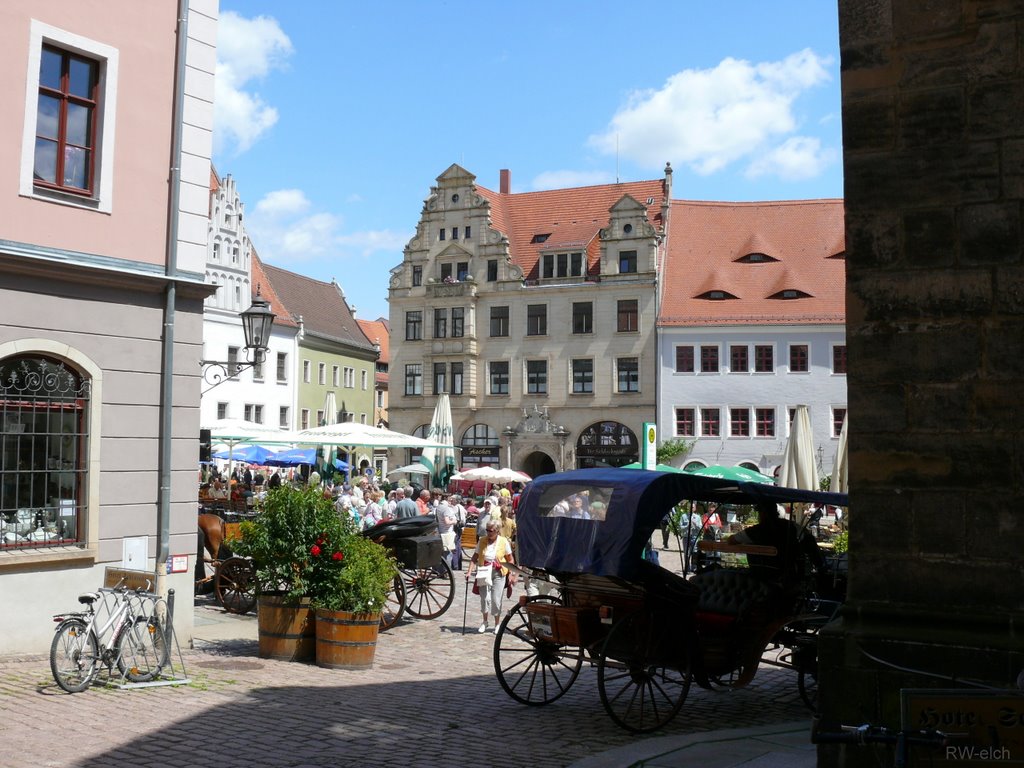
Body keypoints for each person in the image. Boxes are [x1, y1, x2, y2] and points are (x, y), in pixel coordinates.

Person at [728, 501, 825, 583]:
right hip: (790, 573)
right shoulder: (791, 526)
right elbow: (809, 539)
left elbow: (731, 540)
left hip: (761, 575)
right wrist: (819, 564)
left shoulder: (756, 531)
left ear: (762, 513)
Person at [466, 520, 516, 633]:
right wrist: (469, 571)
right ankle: (485, 622)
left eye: (491, 530)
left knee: (495, 599)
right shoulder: (482, 541)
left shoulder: (503, 542)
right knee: (484, 598)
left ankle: (497, 624)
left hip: (499, 572)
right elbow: (474, 557)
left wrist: (511, 573)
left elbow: (510, 559)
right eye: (487, 530)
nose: (488, 533)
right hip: (484, 571)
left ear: (497, 531)